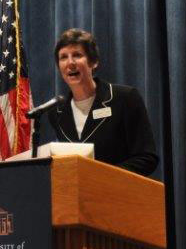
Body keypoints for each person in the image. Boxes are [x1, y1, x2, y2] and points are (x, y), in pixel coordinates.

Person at [43, 28, 159, 176]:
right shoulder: (57, 112)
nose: (70, 63)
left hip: (119, 194)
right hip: (76, 197)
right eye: (63, 57)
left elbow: (146, 158)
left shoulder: (124, 98)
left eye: (77, 55)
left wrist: (103, 177)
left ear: (94, 62)